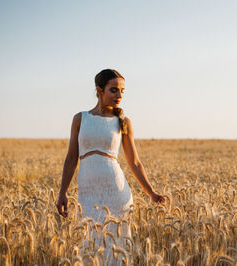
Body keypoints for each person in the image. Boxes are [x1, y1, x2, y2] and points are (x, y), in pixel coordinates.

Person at [56, 69, 165, 264]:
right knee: (90, 247)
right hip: (87, 194)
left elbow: (135, 162)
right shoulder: (80, 119)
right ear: (99, 90)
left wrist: (151, 193)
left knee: (117, 251)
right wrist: (62, 192)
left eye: (122, 91)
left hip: (116, 193)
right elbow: (71, 158)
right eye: (114, 90)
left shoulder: (122, 122)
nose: (119, 95)